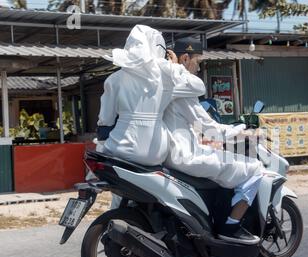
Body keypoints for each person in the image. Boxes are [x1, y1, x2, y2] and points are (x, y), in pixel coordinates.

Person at [163, 37, 265, 245]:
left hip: (172, 154)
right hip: (186, 156)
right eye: (197, 62)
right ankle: (231, 226)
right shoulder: (183, 90)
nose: (199, 68)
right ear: (184, 58)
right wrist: (243, 130)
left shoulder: (165, 85)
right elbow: (210, 128)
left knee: (224, 162)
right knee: (255, 168)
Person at [97, 25, 206, 166]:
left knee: (100, 149)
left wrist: (102, 141)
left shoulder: (114, 79)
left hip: (121, 147)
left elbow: (105, 120)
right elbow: (199, 87)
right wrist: (175, 67)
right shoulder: (166, 76)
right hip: (157, 152)